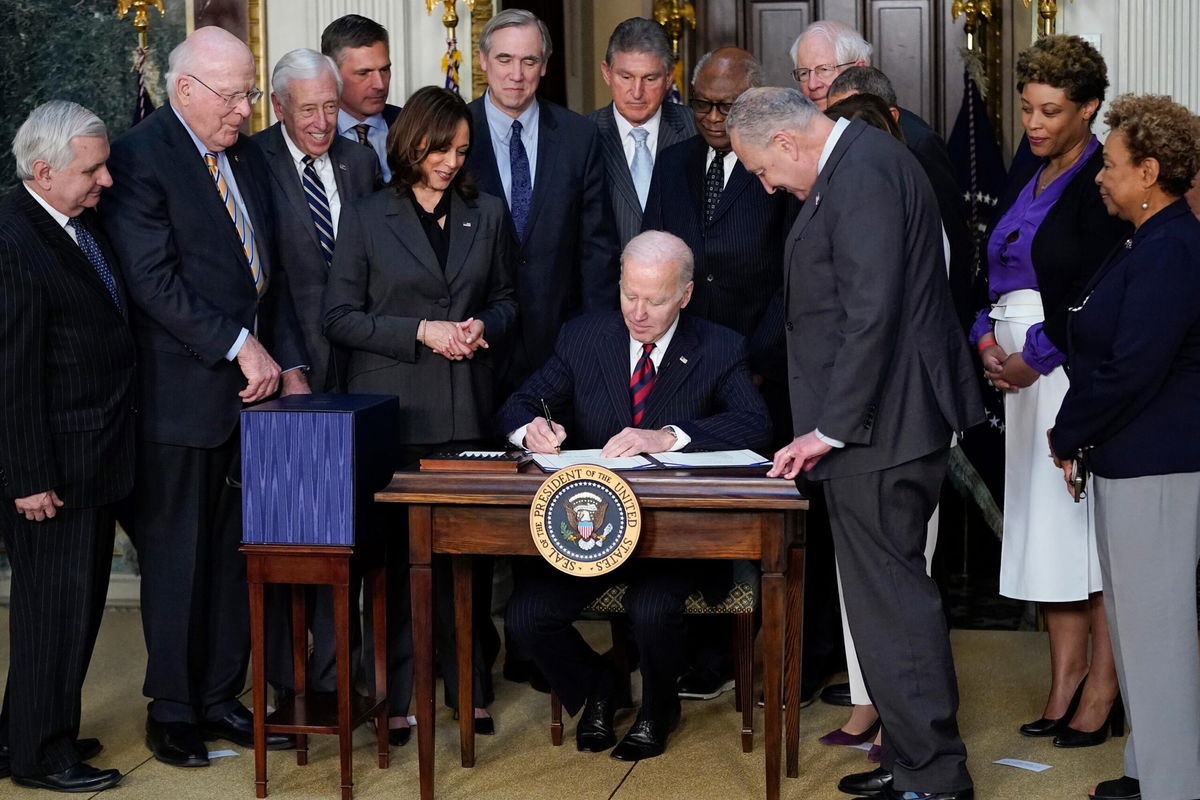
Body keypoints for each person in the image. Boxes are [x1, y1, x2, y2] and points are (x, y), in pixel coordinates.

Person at [729, 87, 982, 800]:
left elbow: (873, 312)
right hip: (879, 425)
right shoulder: (860, 161)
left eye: (762, 169)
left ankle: (936, 775)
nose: (766, 185)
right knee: (880, 604)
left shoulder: (864, 170)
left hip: (881, 428)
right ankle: (909, 757)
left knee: (892, 603)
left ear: (785, 142)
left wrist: (828, 428)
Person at [101, 26, 308, 767]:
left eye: (249, 93)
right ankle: (173, 709)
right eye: (235, 96)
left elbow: (268, 275)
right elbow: (153, 281)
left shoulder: (241, 153)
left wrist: (290, 363)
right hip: (180, 399)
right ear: (186, 90)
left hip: (254, 396)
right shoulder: (139, 157)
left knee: (233, 555)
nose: (246, 110)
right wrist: (238, 344)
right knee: (177, 559)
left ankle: (221, 695)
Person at [499, 230, 771, 762]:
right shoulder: (584, 336)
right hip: (594, 531)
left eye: (656, 300)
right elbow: (521, 401)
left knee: (650, 608)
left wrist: (670, 436)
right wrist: (530, 428)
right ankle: (600, 686)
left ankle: (658, 709)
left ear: (685, 295)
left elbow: (755, 423)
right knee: (526, 616)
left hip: (676, 539)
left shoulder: (719, 346)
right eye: (629, 295)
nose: (639, 313)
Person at [323, 85, 518, 742]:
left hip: (467, 411)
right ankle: (395, 692)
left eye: (461, 151)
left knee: (467, 558)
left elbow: (510, 301)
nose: (450, 162)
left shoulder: (487, 212)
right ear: (412, 144)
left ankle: (471, 687)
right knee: (398, 563)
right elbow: (339, 316)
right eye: (440, 150)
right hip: (396, 415)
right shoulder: (366, 215)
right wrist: (421, 331)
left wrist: (482, 325)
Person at [969, 35, 1129, 749]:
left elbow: (1096, 287)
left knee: (1082, 535)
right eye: (1028, 108)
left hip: (1066, 370)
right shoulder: (1025, 168)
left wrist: (1033, 358)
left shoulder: (1101, 176)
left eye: (1051, 111)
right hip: (1016, 373)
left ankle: (1103, 687)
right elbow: (992, 268)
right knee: (1048, 535)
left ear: (1088, 108)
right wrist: (984, 338)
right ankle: (1064, 680)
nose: (1034, 123)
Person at [1049, 93, 1200, 800]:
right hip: (1131, 457)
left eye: (1110, 165)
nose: (1099, 176)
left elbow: (1133, 365)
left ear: (1149, 172)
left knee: (1157, 631)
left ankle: (1174, 786)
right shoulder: (1147, 239)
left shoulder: (1172, 248)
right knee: (1138, 626)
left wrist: (1068, 431)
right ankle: (1150, 772)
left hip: (1159, 463)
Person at [641, 46, 799, 702]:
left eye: (724, 107)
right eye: (700, 103)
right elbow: (654, 253)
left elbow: (792, 277)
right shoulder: (673, 162)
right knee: (691, 514)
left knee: (756, 519)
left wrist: (754, 362)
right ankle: (701, 652)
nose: (709, 117)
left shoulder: (777, 165)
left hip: (759, 367)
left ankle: (771, 651)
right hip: (682, 367)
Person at [0, 101, 131, 794]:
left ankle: (22, 733)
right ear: (44, 171)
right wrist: (28, 477)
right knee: (55, 613)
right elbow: (11, 373)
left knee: (64, 610)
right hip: (52, 471)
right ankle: (43, 756)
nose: (106, 180)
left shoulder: (71, 221)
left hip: (92, 457)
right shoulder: (12, 239)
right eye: (93, 169)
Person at [253, 47, 379, 702]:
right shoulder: (251, 162)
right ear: (279, 107)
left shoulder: (362, 161)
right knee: (291, 534)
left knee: (348, 536)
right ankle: (286, 682)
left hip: (360, 374)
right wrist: (291, 368)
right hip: (291, 375)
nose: (323, 122)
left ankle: (336, 681)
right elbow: (260, 282)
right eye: (309, 110)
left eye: (331, 107)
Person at [465, 8, 619, 392]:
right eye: (504, 59)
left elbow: (597, 250)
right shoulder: (455, 133)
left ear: (545, 65)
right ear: (483, 60)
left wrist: (593, 339)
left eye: (529, 61)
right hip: (474, 346)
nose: (516, 74)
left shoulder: (578, 136)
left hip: (560, 345)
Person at [587, 17, 695, 248]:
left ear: (669, 77)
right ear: (606, 73)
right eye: (626, 77)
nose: (637, 93)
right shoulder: (582, 136)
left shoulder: (696, 130)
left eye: (650, 78)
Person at [321, 14, 402, 182]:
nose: (380, 84)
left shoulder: (411, 125)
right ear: (332, 74)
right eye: (364, 73)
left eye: (384, 70)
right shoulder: (313, 134)